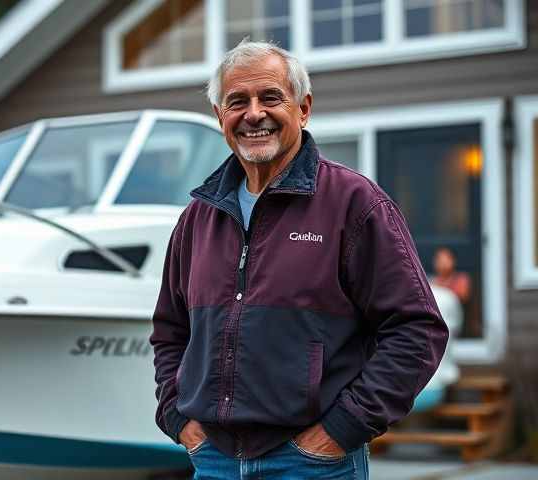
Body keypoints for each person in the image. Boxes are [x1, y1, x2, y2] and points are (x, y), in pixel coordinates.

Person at [149, 41, 449, 479]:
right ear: (220, 117)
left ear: (303, 109)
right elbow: (170, 331)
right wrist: (178, 418)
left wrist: (341, 429)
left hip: (311, 464)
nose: (254, 114)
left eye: (271, 97)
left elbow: (416, 330)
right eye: (237, 102)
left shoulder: (355, 204)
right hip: (214, 462)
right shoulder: (198, 218)